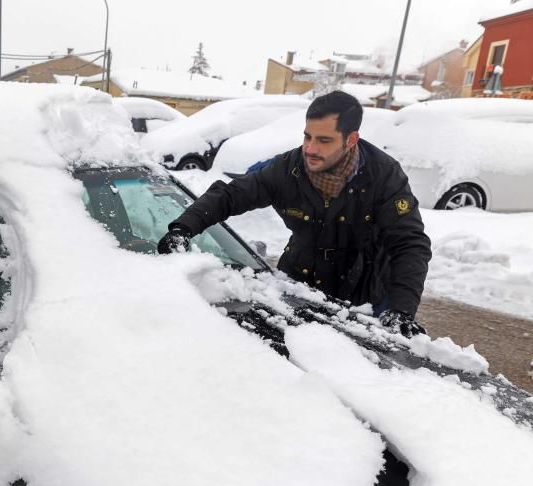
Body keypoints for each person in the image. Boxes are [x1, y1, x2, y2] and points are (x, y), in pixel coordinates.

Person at [158, 91, 432, 337]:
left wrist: (401, 308)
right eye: (307, 136)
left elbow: (409, 244)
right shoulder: (289, 169)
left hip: (364, 293)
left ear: (351, 139)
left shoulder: (383, 177)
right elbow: (232, 195)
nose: (310, 149)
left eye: (324, 140)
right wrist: (184, 227)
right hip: (299, 285)